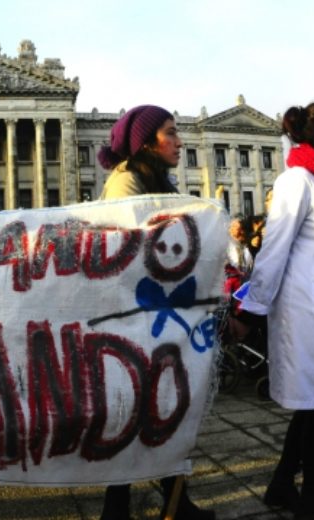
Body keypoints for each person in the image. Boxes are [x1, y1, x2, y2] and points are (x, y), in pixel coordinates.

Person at [231, 102, 314, 520]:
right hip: (307, 314)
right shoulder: (297, 181)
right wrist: (249, 312)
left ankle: (283, 484)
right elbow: (273, 251)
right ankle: (313, 499)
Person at [97, 105, 215, 520]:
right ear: (146, 142)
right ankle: (122, 510)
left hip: (152, 315)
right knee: (136, 413)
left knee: (158, 410)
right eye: (170, 133)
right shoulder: (126, 182)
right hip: (133, 316)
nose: (180, 142)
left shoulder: (156, 180)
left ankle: (173, 503)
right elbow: (130, 250)